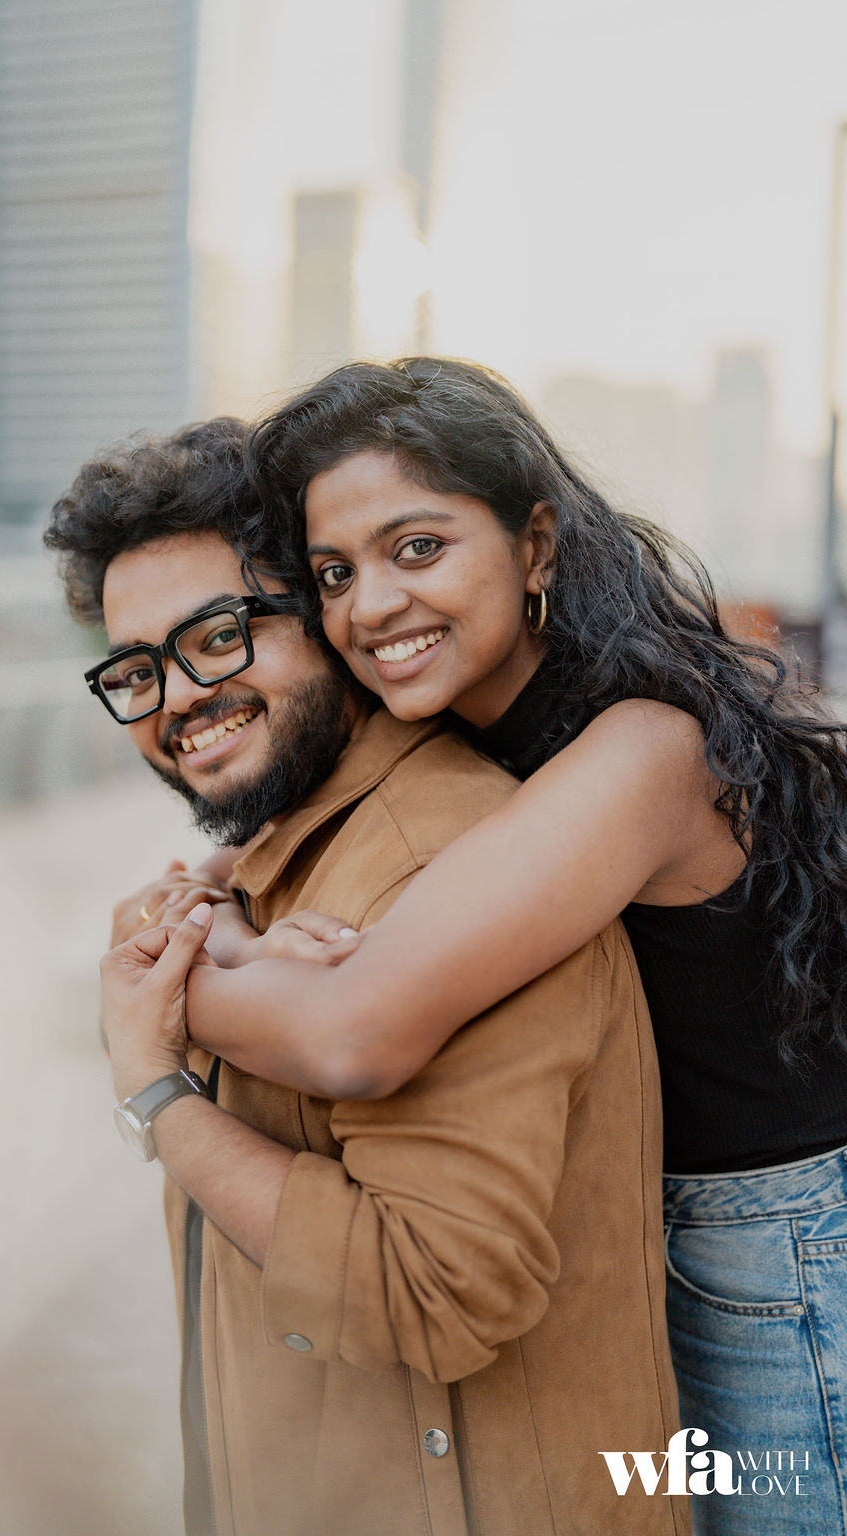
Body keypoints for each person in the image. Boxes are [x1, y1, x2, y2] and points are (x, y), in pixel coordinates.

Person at [161, 358, 847, 1536]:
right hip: (643, 1251)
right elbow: (228, 883)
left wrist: (149, 1024)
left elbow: (355, 1032)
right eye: (334, 573)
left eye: (417, 548)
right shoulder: (464, 749)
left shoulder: (643, 749)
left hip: (778, 1274)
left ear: (535, 546)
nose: (371, 605)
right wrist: (220, 929)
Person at [45, 421, 687, 1536]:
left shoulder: (441, 865)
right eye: (136, 671)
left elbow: (433, 1289)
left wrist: (155, 1094)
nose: (176, 698)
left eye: (217, 637)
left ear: (325, 619)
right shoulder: (281, 854)